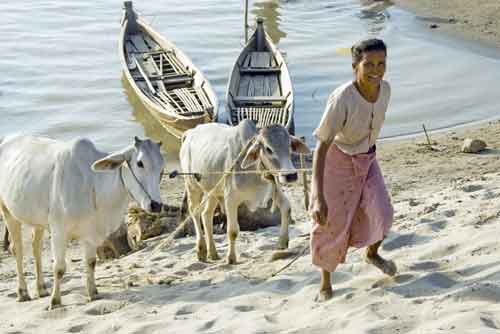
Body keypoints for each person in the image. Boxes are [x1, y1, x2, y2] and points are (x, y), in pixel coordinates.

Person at [309, 38, 397, 302]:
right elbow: (321, 147)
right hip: (337, 161)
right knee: (330, 223)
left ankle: (372, 254)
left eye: (381, 63)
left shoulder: (387, 90)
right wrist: (318, 196)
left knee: (382, 211)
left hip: (367, 160)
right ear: (354, 66)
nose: (376, 70)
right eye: (368, 64)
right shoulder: (342, 98)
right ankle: (325, 282)